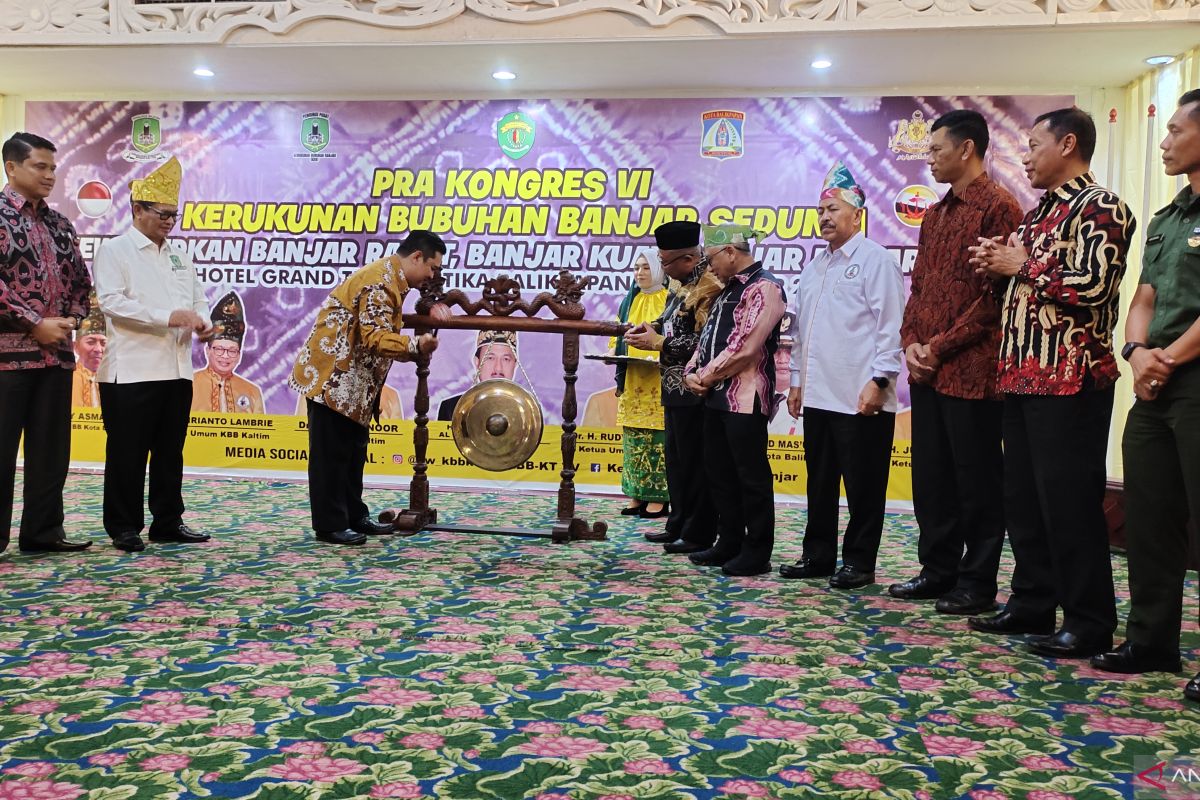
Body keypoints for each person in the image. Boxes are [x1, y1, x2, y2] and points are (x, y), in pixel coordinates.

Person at [968, 107, 1135, 659]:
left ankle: (1088, 621)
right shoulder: (1038, 216)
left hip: (1070, 378)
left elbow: (1091, 285)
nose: (1025, 156)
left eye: (1033, 145)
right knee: (1025, 502)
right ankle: (1032, 603)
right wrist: (998, 263)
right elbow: (1023, 280)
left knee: (1069, 504)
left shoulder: (1102, 206)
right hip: (1020, 377)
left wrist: (1022, 265)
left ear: (1067, 145)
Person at [888, 110, 1024, 614]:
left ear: (967, 149)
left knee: (978, 483)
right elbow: (919, 288)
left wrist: (936, 347)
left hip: (972, 373)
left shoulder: (999, 208)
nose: (929, 158)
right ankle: (937, 570)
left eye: (935, 149)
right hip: (927, 371)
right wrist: (910, 344)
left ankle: (977, 583)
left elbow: (993, 300)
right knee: (932, 478)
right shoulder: (936, 214)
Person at [1091, 90, 1200, 701]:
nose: (1164, 140)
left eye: (1177, 129)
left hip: (1193, 380)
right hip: (1154, 382)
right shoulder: (1167, 217)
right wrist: (1137, 355)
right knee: (1151, 518)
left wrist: (1168, 358)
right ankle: (1151, 641)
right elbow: (1144, 300)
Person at [779, 161, 904, 590]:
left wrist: (881, 381)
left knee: (864, 487)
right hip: (817, 394)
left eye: (834, 209)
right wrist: (796, 381)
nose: (826, 218)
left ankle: (859, 562)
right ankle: (817, 555)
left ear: (857, 214)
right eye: (821, 211)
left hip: (860, 396)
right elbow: (801, 333)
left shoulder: (876, 262)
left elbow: (892, 328)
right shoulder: (815, 268)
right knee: (820, 483)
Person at [290, 230, 447, 546]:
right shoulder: (379, 283)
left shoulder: (393, 281)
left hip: (355, 383)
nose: (433, 276)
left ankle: (353, 516)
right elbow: (375, 337)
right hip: (333, 378)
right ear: (416, 257)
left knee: (352, 452)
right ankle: (330, 525)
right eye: (432, 267)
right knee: (331, 455)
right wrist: (415, 345)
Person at [93, 156, 215, 553]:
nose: (169, 222)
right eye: (162, 214)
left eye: (174, 215)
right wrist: (168, 317)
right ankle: (124, 527)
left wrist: (203, 321)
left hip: (177, 368)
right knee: (128, 453)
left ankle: (168, 521)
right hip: (131, 371)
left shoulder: (179, 253)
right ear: (137, 210)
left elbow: (198, 298)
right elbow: (112, 303)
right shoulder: (116, 250)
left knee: (169, 452)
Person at [0, 131, 93, 554]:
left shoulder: (60, 223)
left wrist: (72, 318)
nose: (50, 175)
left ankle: (43, 533)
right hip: (6, 361)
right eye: (40, 166)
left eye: (53, 168)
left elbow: (80, 282)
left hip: (56, 358)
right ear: (11, 167)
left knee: (51, 453)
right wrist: (33, 321)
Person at [683, 224, 786, 577]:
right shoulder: (726, 290)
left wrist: (706, 375)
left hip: (745, 397)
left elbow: (746, 348)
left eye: (711, 259)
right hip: (715, 396)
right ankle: (728, 541)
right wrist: (692, 370)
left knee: (751, 477)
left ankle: (757, 551)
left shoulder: (765, 288)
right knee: (719, 472)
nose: (709, 267)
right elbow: (709, 337)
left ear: (730, 251)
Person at [625, 220, 723, 552]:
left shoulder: (711, 286)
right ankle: (678, 522)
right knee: (677, 461)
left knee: (696, 463)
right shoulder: (679, 283)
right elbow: (670, 321)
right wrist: (647, 329)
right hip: (671, 386)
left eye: (665, 262)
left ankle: (697, 533)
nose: (662, 268)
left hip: (696, 388)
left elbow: (704, 342)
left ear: (689, 259)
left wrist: (659, 342)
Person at [609, 252, 669, 518]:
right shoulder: (628, 300)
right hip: (633, 380)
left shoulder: (669, 300)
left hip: (660, 380)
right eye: (636, 268)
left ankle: (659, 497)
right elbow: (617, 334)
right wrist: (612, 352)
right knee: (634, 439)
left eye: (646, 267)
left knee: (658, 440)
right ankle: (637, 494)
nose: (640, 273)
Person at [192, 290, 265, 414]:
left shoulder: (252, 391)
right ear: (207, 351)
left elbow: (262, 432)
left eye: (232, 351)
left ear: (239, 356)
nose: (225, 356)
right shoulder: (189, 385)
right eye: (219, 349)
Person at [436, 330, 519, 421]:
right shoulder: (451, 409)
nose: (498, 368)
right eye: (490, 358)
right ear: (477, 362)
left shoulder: (529, 412)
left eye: (506, 359)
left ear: (515, 364)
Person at [71, 294, 107, 409]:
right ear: (75, 346)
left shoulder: (110, 378)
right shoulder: (72, 378)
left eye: (103, 343)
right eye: (91, 342)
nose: (98, 349)